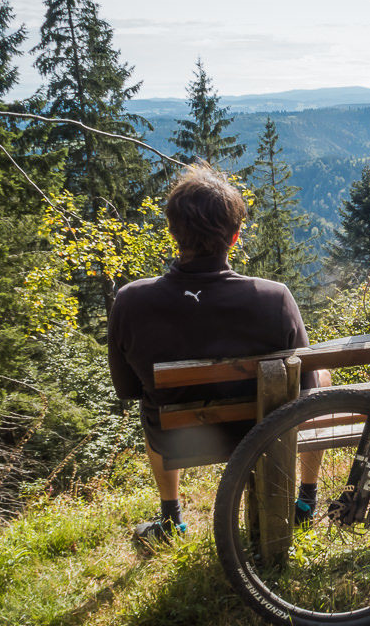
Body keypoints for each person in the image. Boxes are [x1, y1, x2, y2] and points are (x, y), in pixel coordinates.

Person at [108, 164, 321, 545]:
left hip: (179, 439)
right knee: (321, 377)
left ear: (173, 233)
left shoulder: (130, 301)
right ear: (235, 236)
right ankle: (305, 500)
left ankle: (171, 518)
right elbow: (305, 386)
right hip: (262, 433)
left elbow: (127, 388)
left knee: (150, 406)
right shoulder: (274, 298)